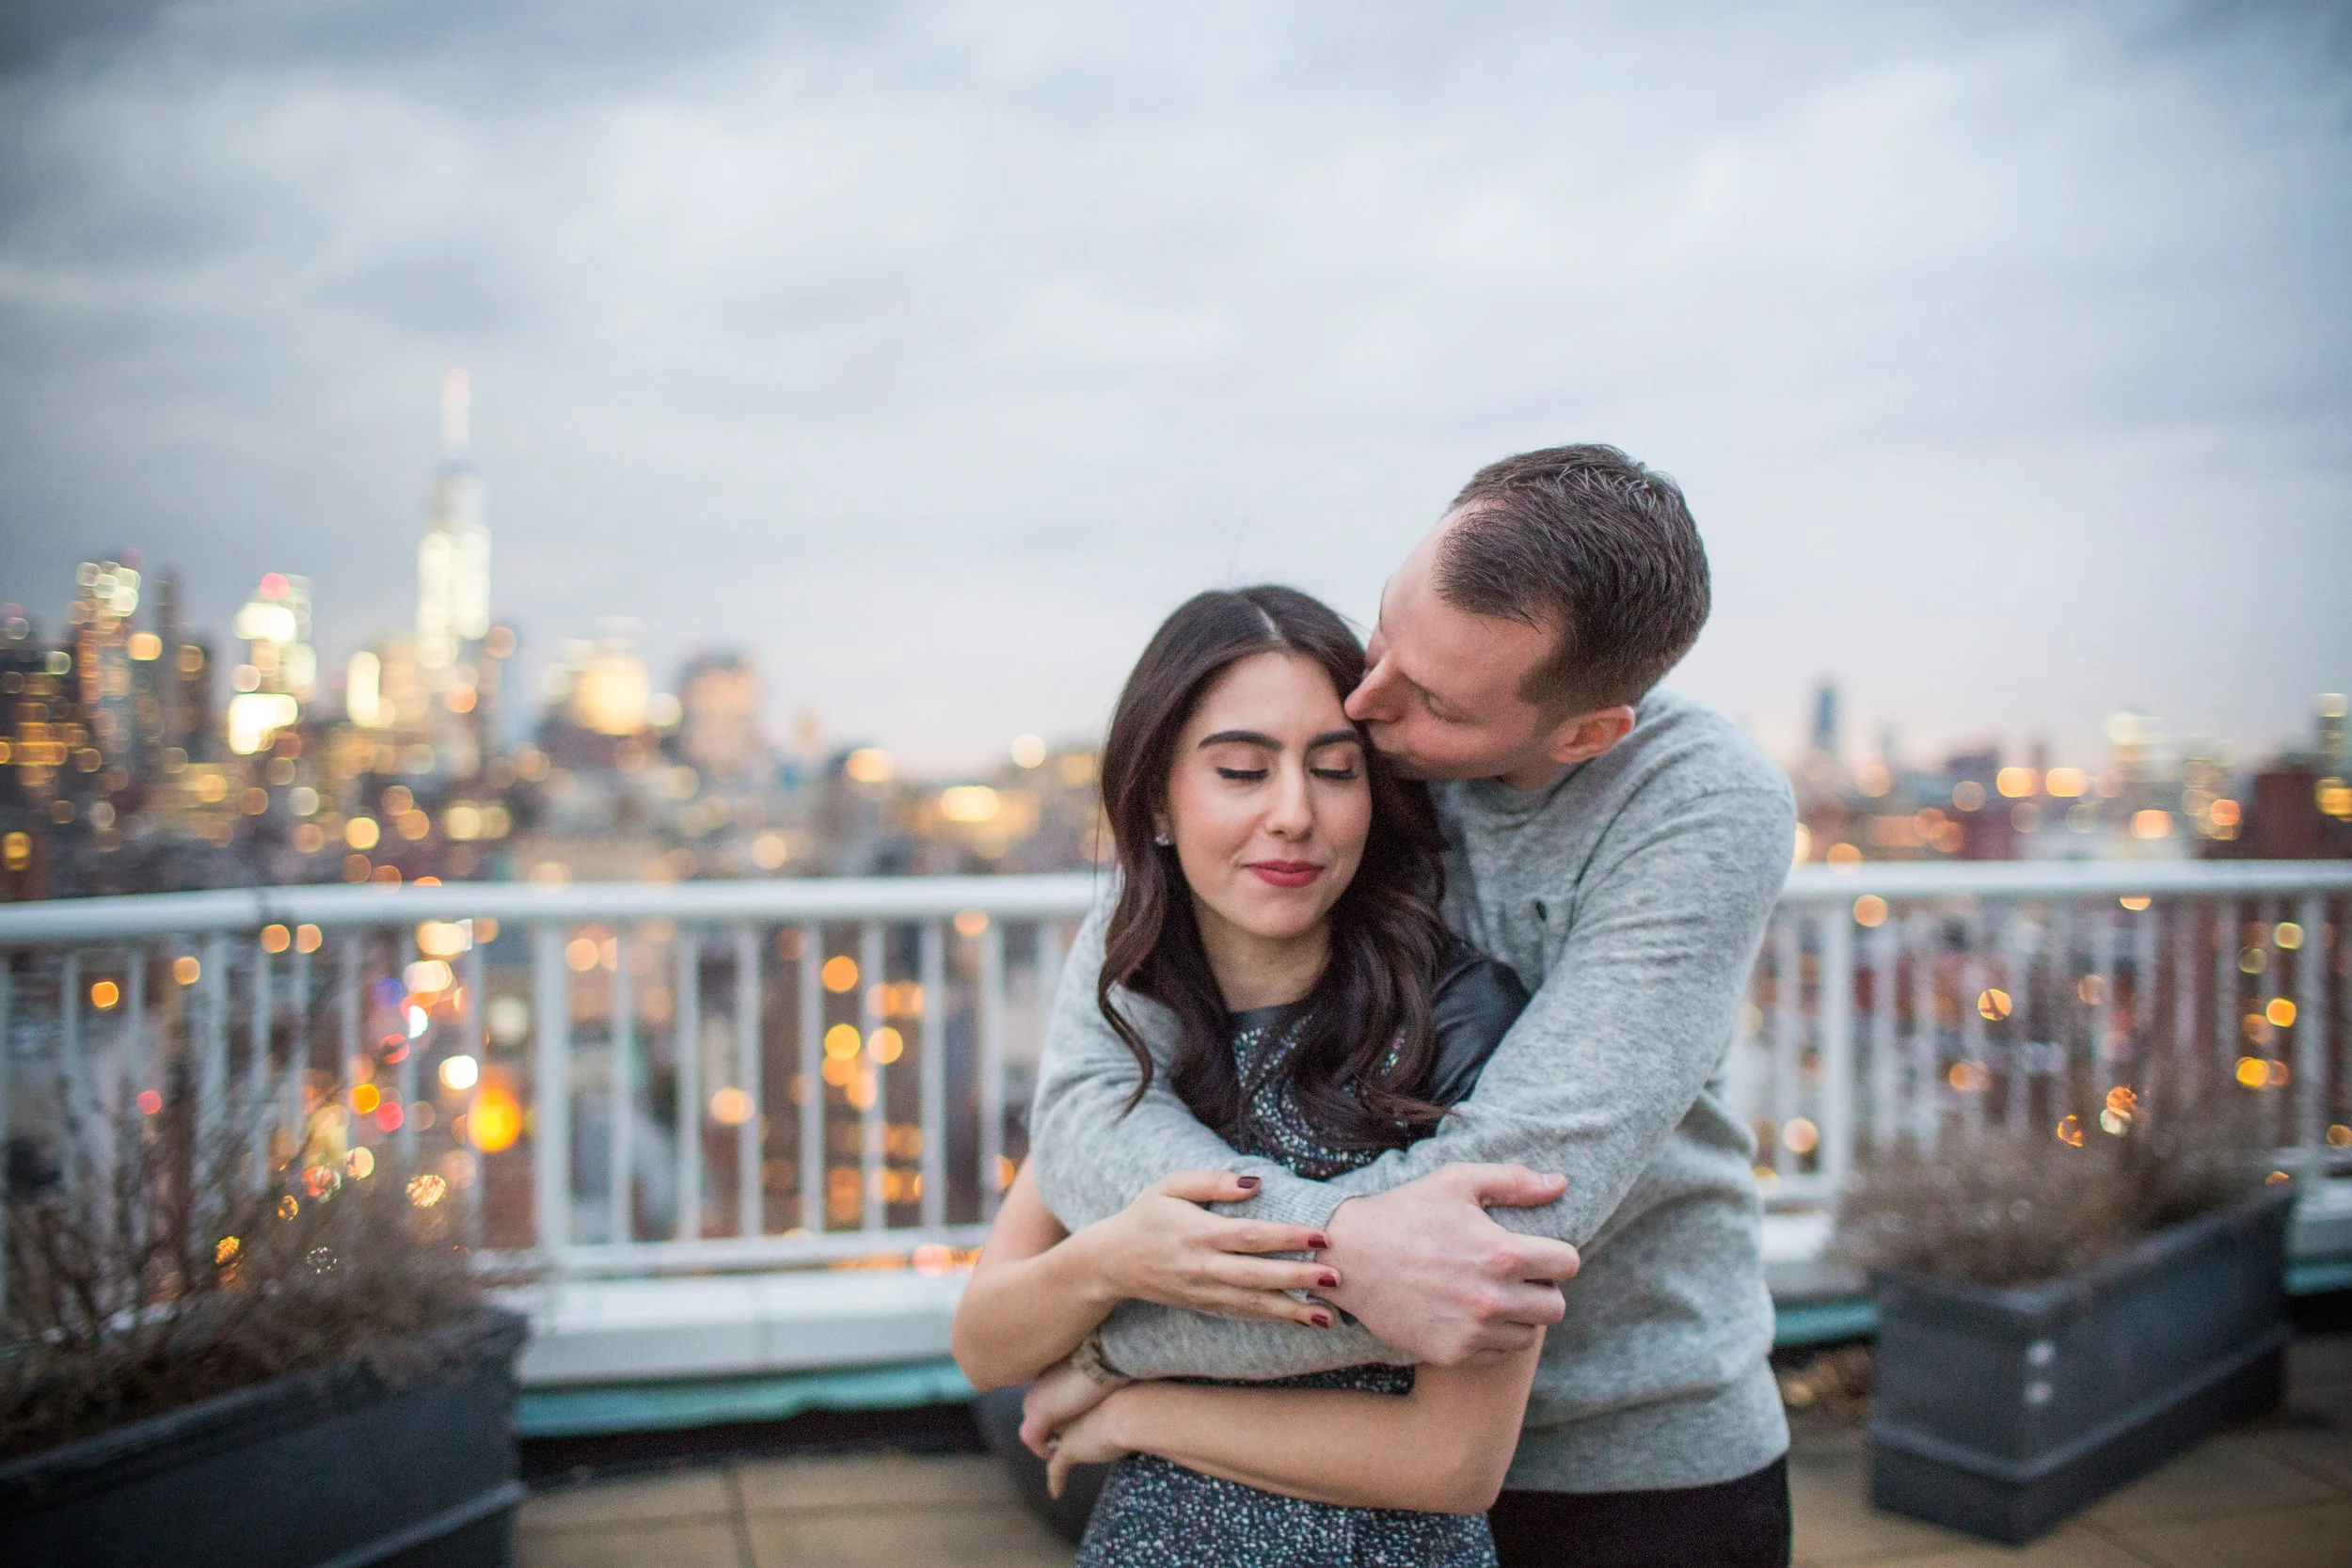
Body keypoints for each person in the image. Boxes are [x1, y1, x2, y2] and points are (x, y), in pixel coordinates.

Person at [1024, 445, 1798, 1568]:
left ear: (1583, 732)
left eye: (1430, 699)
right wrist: (1335, 1239)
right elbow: (1089, 1113)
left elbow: (1496, 1238)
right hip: (1332, 1459)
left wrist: (1117, 1347)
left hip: (1624, 1466)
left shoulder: (1694, 808)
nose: (1365, 700)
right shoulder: (1343, 759)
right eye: (1387, 631)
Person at [952, 584, 1545, 1565]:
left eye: (1333, 769)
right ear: (1155, 798)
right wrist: (1113, 1260)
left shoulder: (1458, 1018)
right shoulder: (1139, 1015)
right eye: (1239, 769)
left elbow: (1454, 1458)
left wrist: (1136, 1409)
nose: (1293, 814)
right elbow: (985, 1340)